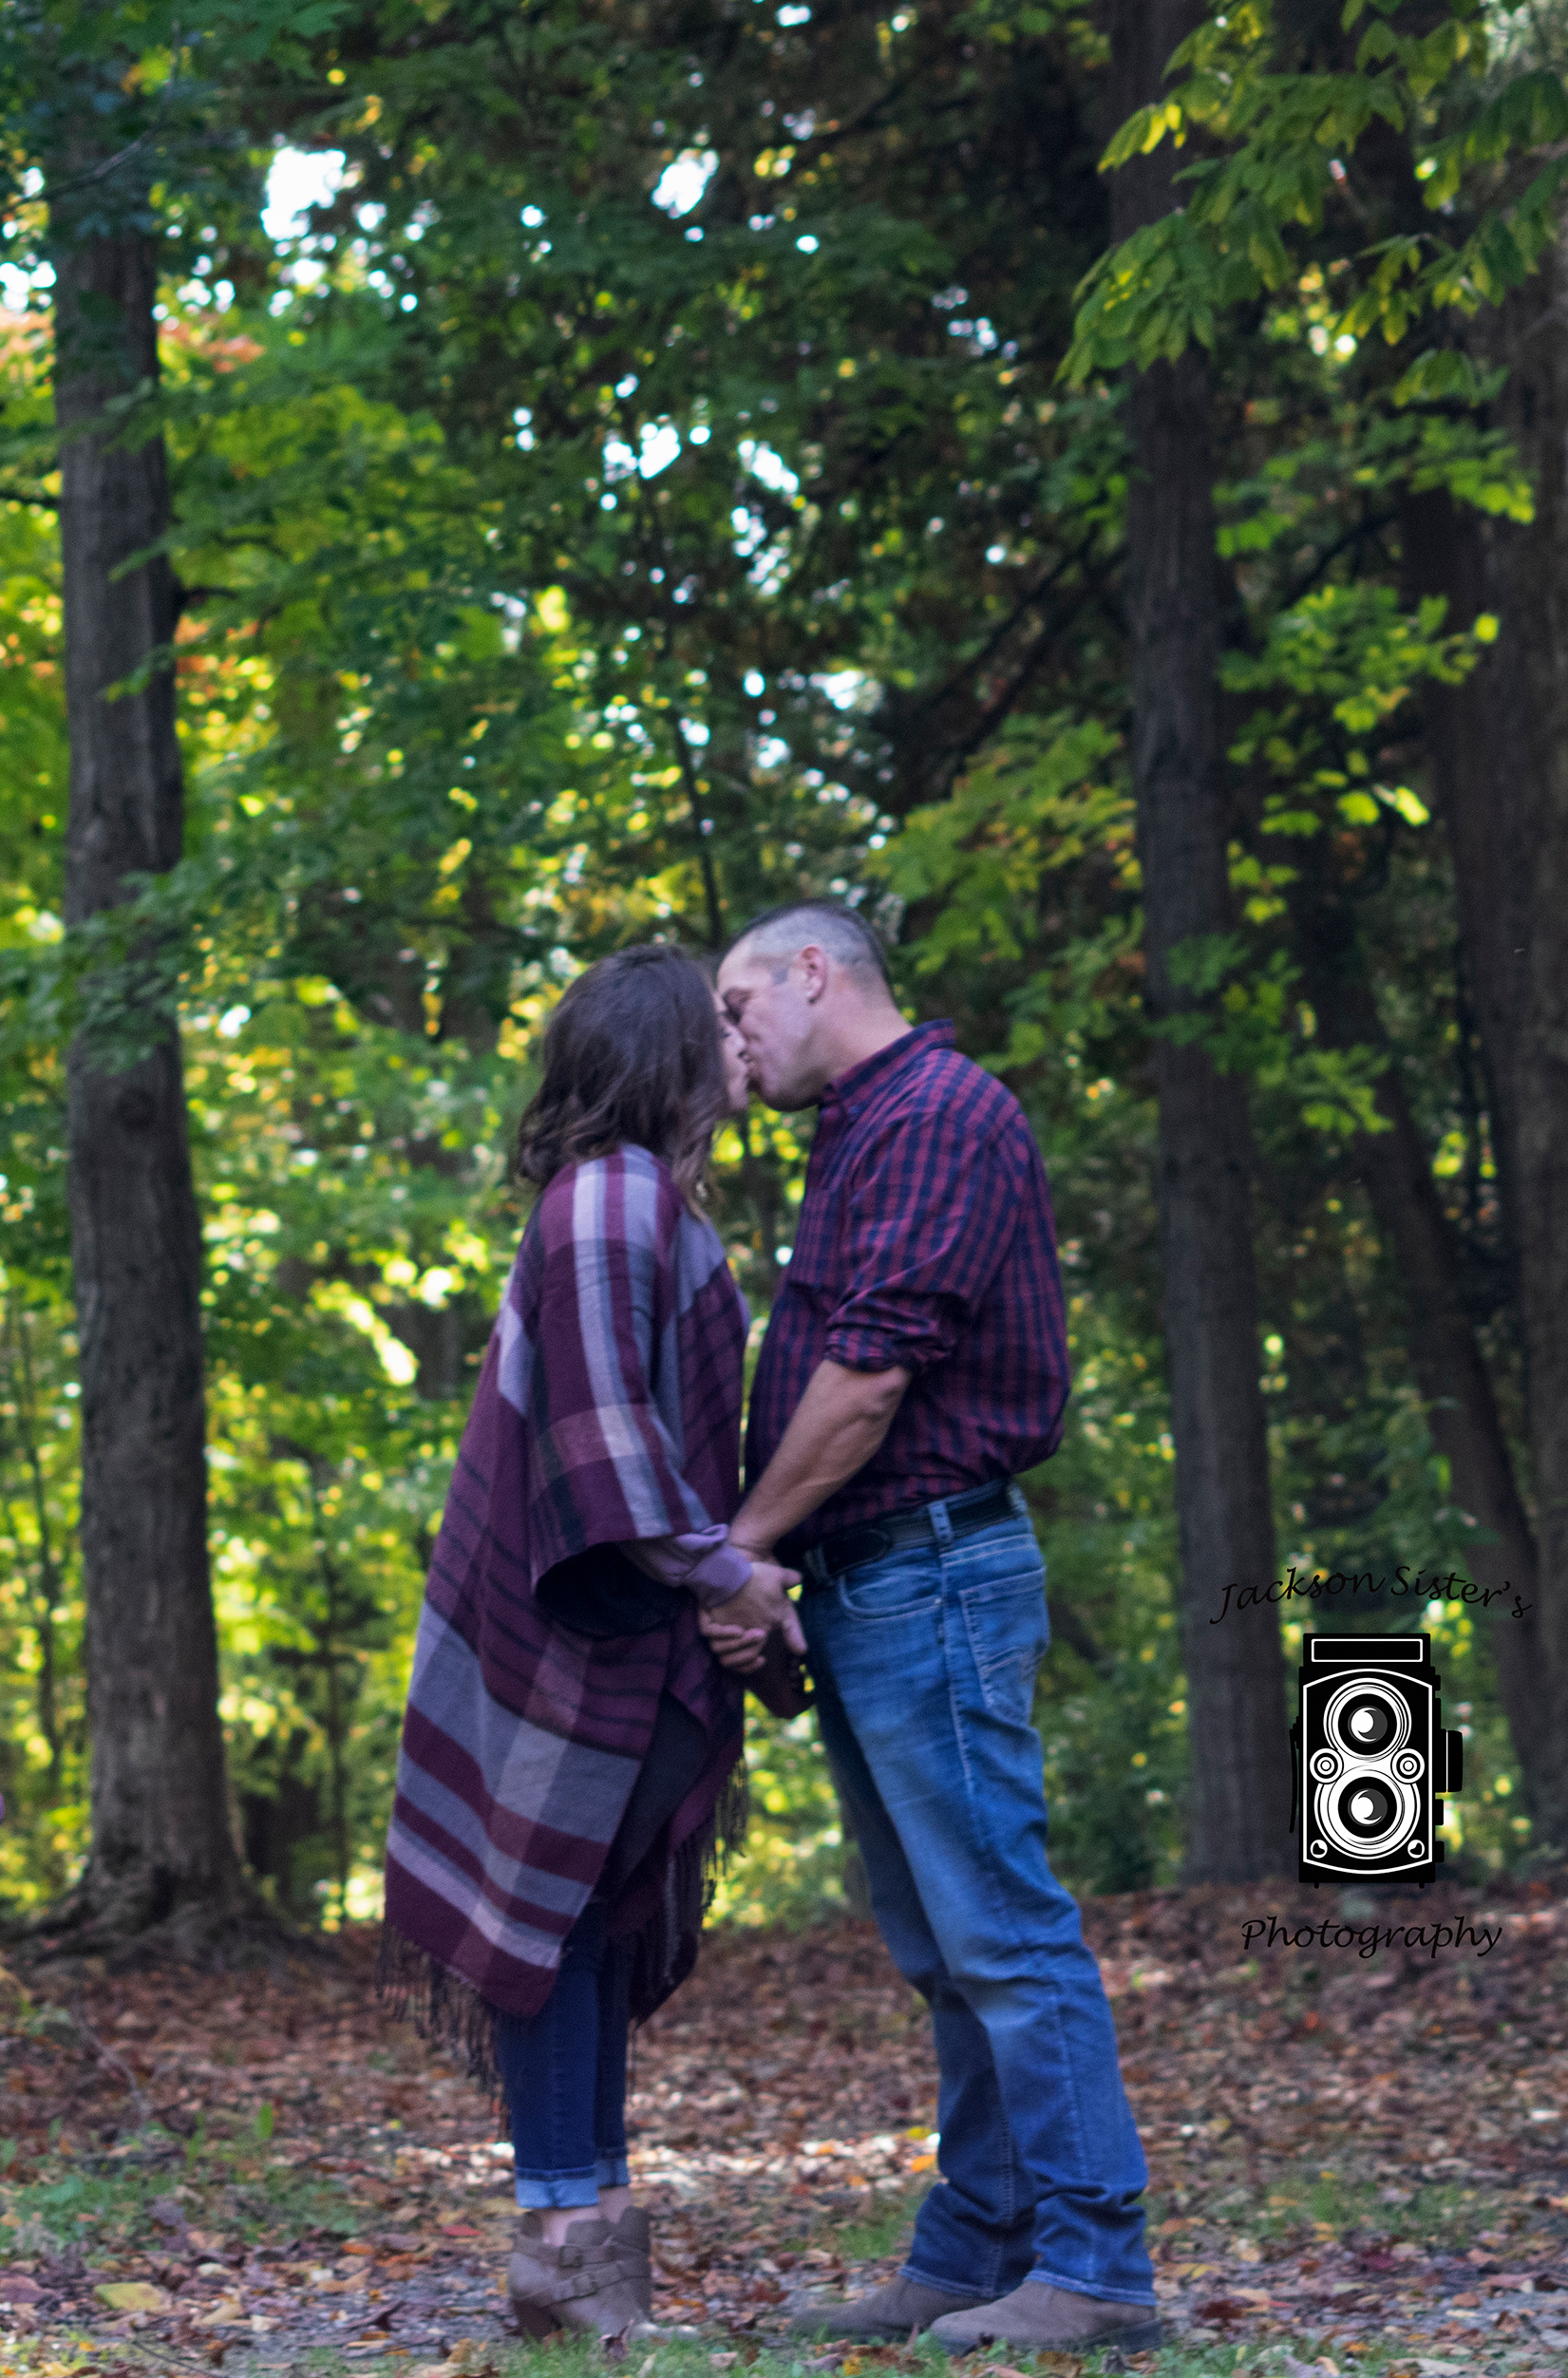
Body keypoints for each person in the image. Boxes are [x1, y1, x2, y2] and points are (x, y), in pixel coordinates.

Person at [703, 899, 1162, 2356]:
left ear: (814, 972)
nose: (730, 1045)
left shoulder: (939, 1113)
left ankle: (1097, 2267)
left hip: (932, 1571)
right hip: (878, 1578)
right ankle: (974, 2250)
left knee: (1004, 1933)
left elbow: (869, 1381)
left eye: (736, 1008)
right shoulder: (865, 1127)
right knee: (944, 1946)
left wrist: (741, 1551)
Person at [377, 943, 786, 2345]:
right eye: (718, 1022)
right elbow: (604, 1433)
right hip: (588, 1633)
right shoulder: (614, 1195)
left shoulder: (629, 1193)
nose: (740, 1040)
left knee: (589, 1920)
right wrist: (727, 1575)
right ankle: (565, 2240)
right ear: (667, 1050)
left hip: (613, 1620)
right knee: (554, 1923)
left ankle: (585, 2230)